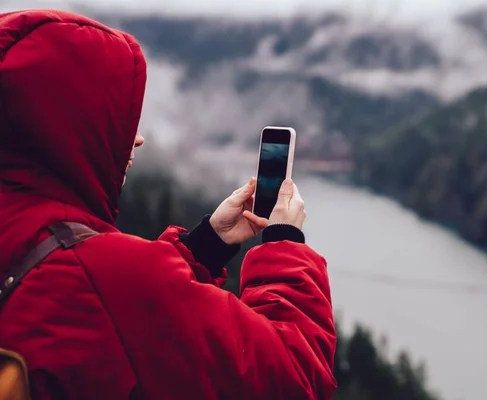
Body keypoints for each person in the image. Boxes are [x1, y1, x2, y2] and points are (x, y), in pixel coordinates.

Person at [0, 9, 336, 400]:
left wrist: (206, 245)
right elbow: (293, 375)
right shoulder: (105, 277)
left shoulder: (55, 255)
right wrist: (285, 247)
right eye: (119, 120)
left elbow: (125, 316)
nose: (138, 139)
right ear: (63, 127)